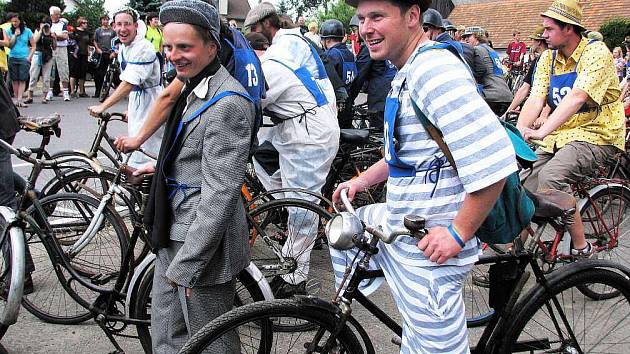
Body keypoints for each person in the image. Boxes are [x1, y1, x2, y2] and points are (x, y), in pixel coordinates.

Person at [332, 0, 516, 351]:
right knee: (349, 235)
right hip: (408, 231)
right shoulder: (408, 71)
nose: (366, 28)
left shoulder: (434, 71)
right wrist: (361, 181)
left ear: (413, 16)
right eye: (361, 19)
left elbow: (494, 159)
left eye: (377, 17)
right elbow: (402, 156)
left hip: (433, 247)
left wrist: (457, 233)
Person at [147, 1, 255, 352]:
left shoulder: (228, 104)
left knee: (211, 341)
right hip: (174, 227)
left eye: (184, 47)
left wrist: (191, 264)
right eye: (168, 46)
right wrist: (158, 169)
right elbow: (195, 155)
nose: (173, 55)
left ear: (211, 47)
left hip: (200, 244)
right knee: (167, 330)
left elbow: (220, 192)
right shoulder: (193, 85)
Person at [244, 1, 339, 297]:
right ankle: (286, 217)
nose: (252, 38)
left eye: (254, 32)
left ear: (266, 26)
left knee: (301, 207)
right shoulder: (296, 41)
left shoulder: (281, 54)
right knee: (267, 163)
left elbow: (257, 96)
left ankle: (295, 277)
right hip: (300, 127)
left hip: (307, 134)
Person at [517, 0, 625, 256]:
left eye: (549, 29)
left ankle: (581, 247)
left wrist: (541, 132)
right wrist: (520, 129)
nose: (543, 35)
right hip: (563, 134)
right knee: (523, 183)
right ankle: (516, 251)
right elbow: (536, 97)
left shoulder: (596, 53)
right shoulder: (547, 58)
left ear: (569, 29)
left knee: (552, 176)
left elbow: (577, 97)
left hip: (599, 135)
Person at [88, 8, 163, 169]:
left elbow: (129, 83)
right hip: (139, 101)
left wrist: (103, 106)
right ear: (114, 27)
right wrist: (132, 109)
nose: (123, 29)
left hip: (151, 103)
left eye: (127, 24)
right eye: (119, 24)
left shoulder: (143, 48)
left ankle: (149, 191)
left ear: (136, 25)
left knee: (146, 151)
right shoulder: (124, 46)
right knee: (137, 151)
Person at [462, 26, 513, 115]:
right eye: (464, 37)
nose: (466, 39)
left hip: (491, 95)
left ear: (477, 36)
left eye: (469, 36)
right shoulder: (491, 50)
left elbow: (481, 70)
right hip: (505, 94)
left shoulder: (477, 49)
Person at [504, 26, 550, 121]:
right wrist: (507, 112)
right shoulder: (536, 61)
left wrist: (543, 116)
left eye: (533, 40)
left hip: (546, 111)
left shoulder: (551, 59)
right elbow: (524, 88)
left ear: (539, 42)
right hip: (536, 107)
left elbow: (551, 91)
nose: (531, 42)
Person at [320, 19, 357, 128]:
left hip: (335, 106)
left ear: (327, 40)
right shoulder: (349, 54)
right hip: (348, 103)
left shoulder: (330, 55)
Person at [5, 13, 34, 108]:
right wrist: (14, 36)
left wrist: (29, 56)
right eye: (13, 21)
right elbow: (9, 45)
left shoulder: (27, 31)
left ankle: (20, 99)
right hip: (13, 56)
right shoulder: (9, 31)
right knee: (14, 79)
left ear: (20, 21)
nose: (14, 23)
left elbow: (33, 45)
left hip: (24, 57)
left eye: (16, 21)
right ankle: (16, 99)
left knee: (22, 79)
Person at [25, 18, 56, 104]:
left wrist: (54, 38)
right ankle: (30, 95)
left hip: (48, 56)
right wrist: (40, 31)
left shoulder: (51, 33)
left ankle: (45, 97)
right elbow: (34, 41)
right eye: (42, 23)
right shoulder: (37, 30)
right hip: (38, 54)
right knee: (33, 75)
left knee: (46, 77)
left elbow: (54, 47)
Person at [48, 6, 71, 102]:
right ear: (51, 15)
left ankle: (65, 91)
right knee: (50, 70)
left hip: (61, 48)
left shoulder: (63, 24)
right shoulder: (47, 24)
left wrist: (55, 35)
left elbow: (65, 36)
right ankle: (49, 91)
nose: (58, 16)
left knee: (64, 69)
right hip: (50, 49)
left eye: (59, 14)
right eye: (56, 14)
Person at [93, 15, 115, 98]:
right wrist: (97, 48)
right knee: (98, 73)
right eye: (104, 20)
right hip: (100, 53)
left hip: (109, 53)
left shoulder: (112, 31)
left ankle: (106, 91)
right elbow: (95, 40)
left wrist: (113, 51)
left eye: (107, 20)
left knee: (109, 73)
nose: (105, 21)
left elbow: (116, 41)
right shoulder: (98, 30)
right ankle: (98, 91)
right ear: (101, 21)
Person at [69, 17, 92, 98]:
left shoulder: (87, 33)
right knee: (73, 73)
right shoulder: (74, 31)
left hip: (84, 54)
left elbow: (89, 43)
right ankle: (72, 91)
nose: (86, 24)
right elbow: (71, 42)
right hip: (75, 54)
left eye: (86, 22)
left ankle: (82, 91)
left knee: (82, 73)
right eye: (84, 23)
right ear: (80, 23)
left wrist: (89, 51)